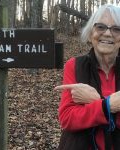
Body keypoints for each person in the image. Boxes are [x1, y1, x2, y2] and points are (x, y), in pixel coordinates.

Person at [55, 4, 120, 150]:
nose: (108, 34)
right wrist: (109, 105)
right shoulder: (75, 65)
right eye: (101, 27)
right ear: (91, 34)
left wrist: (97, 102)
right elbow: (67, 118)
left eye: (116, 29)